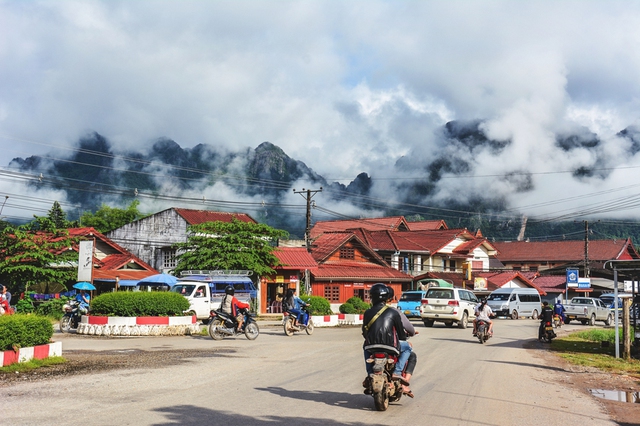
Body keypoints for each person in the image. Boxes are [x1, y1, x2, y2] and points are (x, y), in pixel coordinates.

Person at [362, 283, 408, 388]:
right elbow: (401, 334)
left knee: (365, 347)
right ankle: (397, 371)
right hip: (390, 347)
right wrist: (404, 337)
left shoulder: (367, 313)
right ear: (387, 297)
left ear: (372, 297)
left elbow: (364, 332)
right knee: (408, 348)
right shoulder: (393, 312)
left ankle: (370, 374)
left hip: (371, 347)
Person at [386, 285, 418, 397]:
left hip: (372, 345)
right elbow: (405, 329)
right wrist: (412, 333)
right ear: (391, 298)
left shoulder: (370, 311)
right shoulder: (395, 312)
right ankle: (404, 382)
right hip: (391, 344)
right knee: (410, 352)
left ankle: (370, 374)